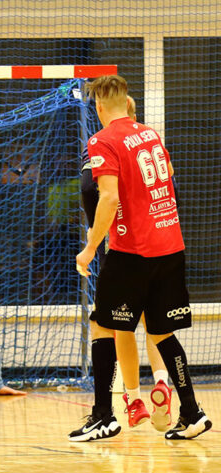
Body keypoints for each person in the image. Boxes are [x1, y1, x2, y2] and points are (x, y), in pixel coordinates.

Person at [72, 75, 211, 441]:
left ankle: (104, 416)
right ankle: (192, 412)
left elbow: (108, 198)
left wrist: (90, 247)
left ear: (99, 106)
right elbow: (168, 177)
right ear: (127, 102)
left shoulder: (102, 140)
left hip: (132, 250)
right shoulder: (150, 134)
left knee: (103, 325)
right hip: (170, 245)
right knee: (162, 332)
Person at [79, 95, 174, 433]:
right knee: (156, 324)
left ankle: (133, 400)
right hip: (157, 242)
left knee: (119, 326)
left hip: (120, 245)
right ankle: (162, 382)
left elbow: (98, 195)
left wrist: (91, 243)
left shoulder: (102, 146)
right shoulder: (149, 141)